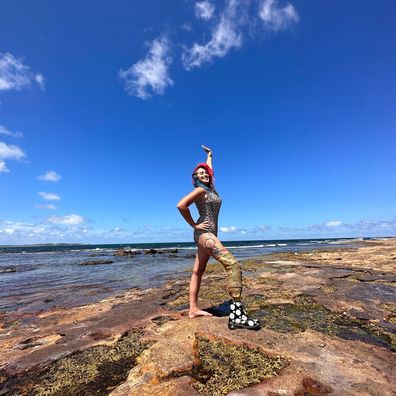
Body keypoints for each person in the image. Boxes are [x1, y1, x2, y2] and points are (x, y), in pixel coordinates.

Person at [177, 145, 260, 330]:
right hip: (204, 233)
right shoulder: (201, 191)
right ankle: (237, 315)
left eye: (205, 173)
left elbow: (210, 169)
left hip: (209, 234)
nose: (204, 174)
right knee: (233, 265)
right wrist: (194, 225)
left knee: (198, 271)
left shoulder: (211, 188)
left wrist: (209, 156)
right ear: (195, 178)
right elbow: (181, 205)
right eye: (200, 173)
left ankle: (193, 309)